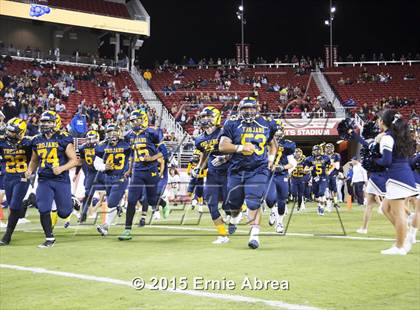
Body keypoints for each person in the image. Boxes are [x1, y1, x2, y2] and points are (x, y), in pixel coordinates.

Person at [219, 97, 278, 249]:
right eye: (245, 109)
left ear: (257, 109)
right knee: (233, 204)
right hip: (236, 170)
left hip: (258, 169)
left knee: (253, 200)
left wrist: (270, 159)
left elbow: (273, 144)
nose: (248, 111)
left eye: (251, 108)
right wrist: (240, 148)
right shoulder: (232, 123)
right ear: (240, 110)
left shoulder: (266, 123)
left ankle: (254, 236)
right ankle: (235, 216)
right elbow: (222, 146)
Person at [25, 111, 78, 248]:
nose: (45, 124)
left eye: (48, 122)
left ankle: (71, 201)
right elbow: (34, 160)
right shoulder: (37, 139)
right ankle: (49, 238)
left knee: (64, 212)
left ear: (56, 123)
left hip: (61, 179)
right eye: (43, 122)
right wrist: (30, 170)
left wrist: (61, 168)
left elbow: (74, 160)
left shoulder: (64, 138)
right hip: (44, 179)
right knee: (43, 208)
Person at [374, 110, 417, 255]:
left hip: (397, 177)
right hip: (403, 175)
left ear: (383, 122)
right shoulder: (398, 136)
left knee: (398, 213)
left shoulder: (388, 138)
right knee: (385, 208)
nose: (378, 121)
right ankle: (403, 238)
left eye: (379, 119)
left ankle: (400, 247)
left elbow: (386, 161)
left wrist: (374, 161)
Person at [119, 110, 163, 241]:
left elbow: (164, 152)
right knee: (132, 200)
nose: (133, 123)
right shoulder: (130, 135)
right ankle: (127, 230)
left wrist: (152, 158)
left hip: (151, 170)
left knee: (151, 201)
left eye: (135, 120)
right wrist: (130, 169)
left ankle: (163, 203)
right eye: (132, 121)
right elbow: (132, 154)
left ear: (143, 119)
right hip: (137, 171)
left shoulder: (152, 133)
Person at [194, 107, 231, 244]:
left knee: (229, 205)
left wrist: (225, 158)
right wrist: (199, 167)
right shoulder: (200, 139)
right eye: (203, 117)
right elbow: (204, 153)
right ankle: (223, 235)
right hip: (212, 174)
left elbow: (236, 150)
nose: (204, 120)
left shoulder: (224, 132)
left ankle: (235, 215)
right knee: (211, 204)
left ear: (215, 118)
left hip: (228, 173)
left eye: (208, 117)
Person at [94, 123, 131, 237]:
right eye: (110, 132)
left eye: (115, 132)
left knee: (111, 203)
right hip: (108, 178)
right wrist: (104, 167)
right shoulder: (102, 146)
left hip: (121, 177)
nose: (113, 135)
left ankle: (106, 224)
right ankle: (106, 227)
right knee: (112, 203)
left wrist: (130, 170)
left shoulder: (126, 144)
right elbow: (96, 164)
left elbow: (133, 157)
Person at [0, 118, 32, 246]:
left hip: (22, 177)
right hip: (8, 177)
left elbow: (36, 157)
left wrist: (30, 170)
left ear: (21, 132)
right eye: (8, 131)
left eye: (13, 132)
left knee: (14, 206)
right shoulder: (2, 142)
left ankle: (7, 236)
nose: (9, 134)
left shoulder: (28, 143)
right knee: (11, 206)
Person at [265, 120, 297, 233]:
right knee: (269, 200)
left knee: (282, 201)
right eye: (275, 131)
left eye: (279, 130)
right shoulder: (264, 141)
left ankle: (279, 223)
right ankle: (273, 210)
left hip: (281, 175)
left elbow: (293, 163)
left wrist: (282, 168)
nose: (277, 134)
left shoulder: (288, 144)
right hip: (269, 175)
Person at [77, 130, 106, 223]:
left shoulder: (102, 147)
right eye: (88, 139)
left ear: (97, 139)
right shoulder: (82, 148)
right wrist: (78, 173)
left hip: (102, 172)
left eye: (92, 139)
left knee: (111, 190)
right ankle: (84, 214)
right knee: (88, 194)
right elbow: (81, 162)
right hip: (91, 173)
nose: (89, 141)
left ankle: (117, 207)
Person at [304, 145, 331, 216]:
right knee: (316, 196)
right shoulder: (309, 159)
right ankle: (320, 204)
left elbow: (330, 166)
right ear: (313, 151)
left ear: (321, 150)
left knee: (321, 192)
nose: (317, 151)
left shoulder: (326, 158)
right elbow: (305, 170)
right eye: (316, 150)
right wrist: (310, 169)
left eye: (318, 150)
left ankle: (321, 208)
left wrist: (328, 171)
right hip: (315, 178)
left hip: (323, 177)